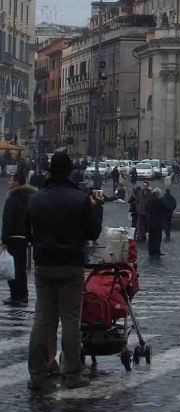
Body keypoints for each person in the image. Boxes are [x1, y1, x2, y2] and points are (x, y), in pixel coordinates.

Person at [27, 151, 103, 391]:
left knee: (42, 319)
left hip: (44, 265)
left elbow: (30, 233)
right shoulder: (79, 199)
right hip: (70, 265)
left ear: (50, 171)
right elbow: (93, 233)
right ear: (70, 171)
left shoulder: (36, 199)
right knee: (71, 320)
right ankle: (72, 373)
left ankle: (38, 373)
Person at [1, 170, 35, 306]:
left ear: (16, 182)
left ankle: (16, 296)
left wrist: (4, 239)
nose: (9, 182)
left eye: (11, 180)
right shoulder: (28, 198)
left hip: (13, 237)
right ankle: (23, 295)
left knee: (12, 269)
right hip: (23, 238)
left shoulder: (12, 199)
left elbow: (7, 220)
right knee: (20, 268)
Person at [145, 188, 166, 257]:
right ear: (158, 193)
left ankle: (150, 251)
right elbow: (164, 209)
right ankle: (156, 251)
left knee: (151, 237)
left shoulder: (148, 200)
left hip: (150, 221)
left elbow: (146, 208)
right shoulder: (159, 201)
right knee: (157, 237)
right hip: (158, 222)